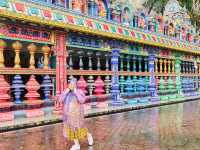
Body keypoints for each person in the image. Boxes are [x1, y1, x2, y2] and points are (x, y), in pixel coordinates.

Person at [59, 78, 93, 150]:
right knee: (72, 130)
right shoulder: (66, 92)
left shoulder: (79, 91)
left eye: (73, 84)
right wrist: (67, 91)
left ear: (76, 85)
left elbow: (82, 100)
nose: (71, 85)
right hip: (68, 115)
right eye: (70, 84)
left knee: (81, 129)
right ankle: (77, 145)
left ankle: (89, 136)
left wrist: (75, 91)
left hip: (77, 115)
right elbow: (60, 100)